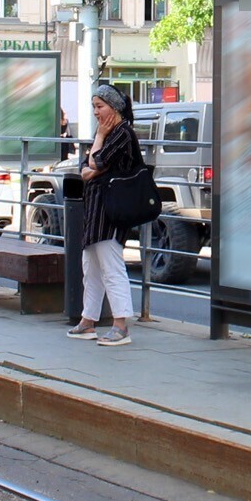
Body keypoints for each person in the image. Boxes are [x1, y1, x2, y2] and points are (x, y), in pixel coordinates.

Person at [66, 84, 143, 347]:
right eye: (94, 107)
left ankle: (121, 325)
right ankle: (88, 320)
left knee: (111, 265)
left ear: (114, 107)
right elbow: (85, 167)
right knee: (92, 266)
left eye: (100, 106)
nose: (96, 112)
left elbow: (94, 164)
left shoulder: (121, 133)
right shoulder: (111, 133)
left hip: (111, 209)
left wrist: (97, 142)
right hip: (97, 208)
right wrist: (92, 163)